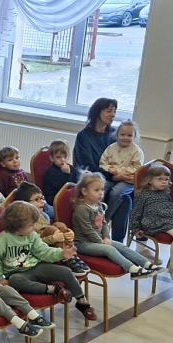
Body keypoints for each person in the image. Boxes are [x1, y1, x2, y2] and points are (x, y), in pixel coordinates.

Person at [0, 201, 93, 320]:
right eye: (31, 225)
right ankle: (52, 289)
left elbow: (44, 251)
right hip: (16, 273)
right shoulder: (2, 240)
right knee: (14, 280)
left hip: (36, 267)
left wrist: (61, 253)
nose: (34, 227)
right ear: (18, 225)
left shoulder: (32, 235)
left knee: (66, 272)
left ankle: (81, 300)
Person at [70, 173, 160, 279]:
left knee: (122, 247)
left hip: (97, 240)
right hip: (83, 243)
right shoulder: (82, 209)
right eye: (96, 190)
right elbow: (88, 230)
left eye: (102, 189)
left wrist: (106, 237)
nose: (101, 193)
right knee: (110, 249)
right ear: (84, 191)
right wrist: (101, 242)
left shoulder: (98, 205)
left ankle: (147, 264)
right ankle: (132, 269)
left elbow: (104, 223)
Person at [74, 97, 130, 241]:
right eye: (109, 111)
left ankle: (117, 242)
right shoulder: (84, 136)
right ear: (98, 112)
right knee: (117, 196)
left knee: (126, 199)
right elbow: (88, 166)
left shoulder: (114, 133)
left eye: (114, 111)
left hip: (113, 176)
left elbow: (125, 156)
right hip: (93, 178)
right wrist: (115, 177)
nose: (113, 115)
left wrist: (123, 174)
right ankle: (102, 227)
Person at [99, 120, 143, 228]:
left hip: (127, 181)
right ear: (117, 134)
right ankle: (97, 214)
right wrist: (109, 169)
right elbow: (102, 163)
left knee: (116, 192)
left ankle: (106, 219)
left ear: (134, 136)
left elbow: (137, 168)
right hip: (112, 177)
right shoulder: (111, 148)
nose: (125, 138)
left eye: (129, 135)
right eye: (122, 134)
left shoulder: (136, 151)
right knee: (100, 188)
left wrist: (118, 171)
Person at [41, 140, 79, 207]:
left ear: (69, 156)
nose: (62, 160)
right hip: (54, 200)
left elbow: (76, 183)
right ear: (52, 158)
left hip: (69, 197)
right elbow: (62, 189)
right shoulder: (51, 172)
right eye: (58, 157)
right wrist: (67, 174)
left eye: (65, 157)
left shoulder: (71, 168)